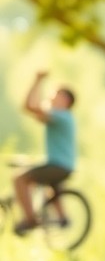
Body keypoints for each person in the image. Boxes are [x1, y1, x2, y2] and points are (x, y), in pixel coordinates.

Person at [12, 72, 76, 234]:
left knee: (19, 179)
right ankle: (62, 217)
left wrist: (37, 81)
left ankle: (30, 219)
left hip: (57, 166)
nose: (51, 97)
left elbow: (29, 106)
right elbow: (37, 109)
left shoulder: (60, 115)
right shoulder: (63, 118)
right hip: (64, 166)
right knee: (48, 187)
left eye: (55, 95)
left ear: (65, 100)